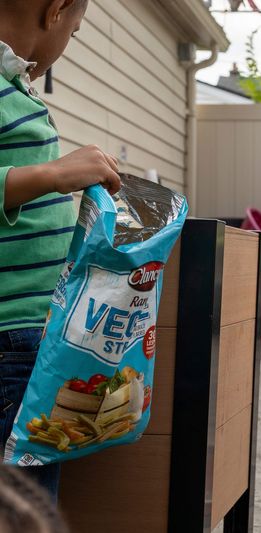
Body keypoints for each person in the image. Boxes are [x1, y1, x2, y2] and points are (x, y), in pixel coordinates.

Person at [0, 0, 121, 496]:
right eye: (75, 29)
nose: (68, 42)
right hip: (10, 341)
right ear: (55, 11)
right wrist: (52, 175)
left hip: (32, 336)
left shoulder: (14, 87)